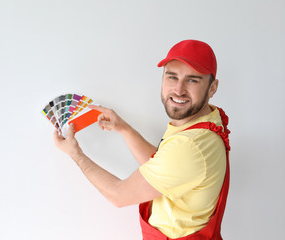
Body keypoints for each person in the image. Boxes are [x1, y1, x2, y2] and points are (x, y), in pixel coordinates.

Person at [53, 39, 231, 239]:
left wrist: (76, 154)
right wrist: (124, 129)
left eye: (192, 80)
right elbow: (165, 164)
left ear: (212, 88)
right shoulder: (204, 121)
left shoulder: (190, 145)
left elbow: (118, 195)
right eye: (172, 77)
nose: (179, 90)